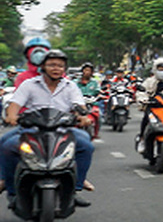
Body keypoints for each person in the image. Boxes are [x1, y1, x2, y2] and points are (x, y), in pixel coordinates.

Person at [1, 49, 95, 205]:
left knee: (86, 145)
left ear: (64, 68)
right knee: (7, 145)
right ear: (43, 67)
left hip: (62, 129)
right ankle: (10, 187)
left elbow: (79, 105)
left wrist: (83, 117)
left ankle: (77, 186)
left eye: (60, 65)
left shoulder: (70, 86)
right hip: (32, 128)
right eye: (51, 65)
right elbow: (15, 104)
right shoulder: (29, 85)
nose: (56, 68)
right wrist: (12, 116)